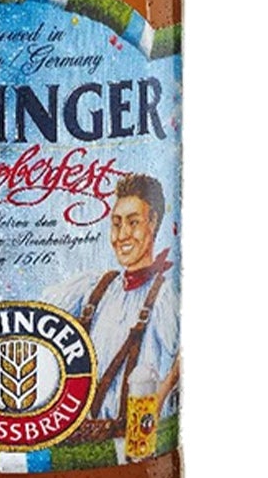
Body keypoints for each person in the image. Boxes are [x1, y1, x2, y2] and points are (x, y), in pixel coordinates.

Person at [45, 172, 180, 435]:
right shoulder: (97, 287)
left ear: (153, 223)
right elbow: (39, 314)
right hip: (83, 437)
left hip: (129, 437)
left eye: (133, 222)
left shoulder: (163, 296)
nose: (122, 235)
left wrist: (159, 398)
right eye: (116, 224)